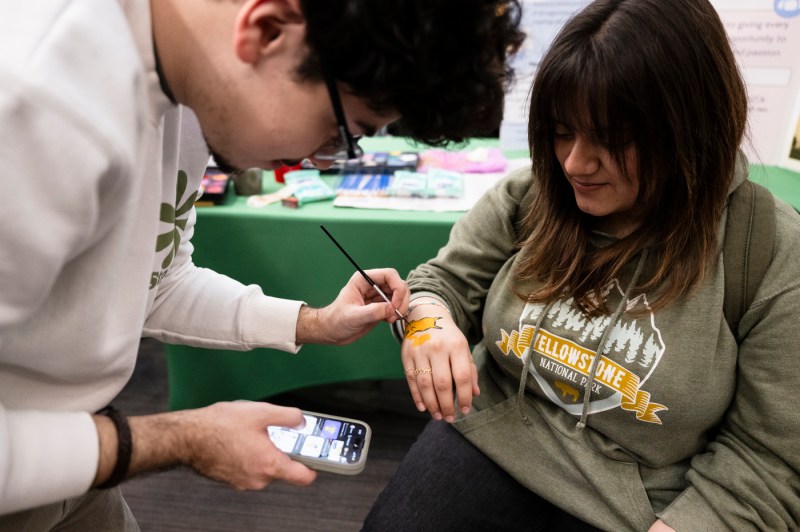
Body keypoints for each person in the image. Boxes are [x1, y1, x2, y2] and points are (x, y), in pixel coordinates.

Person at [0, 0, 525, 528]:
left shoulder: (183, 94)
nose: (325, 161)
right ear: (268, 29)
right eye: (340, 131)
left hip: (77, 460)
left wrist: (312, 322)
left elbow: (158, 280)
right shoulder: (33, 100)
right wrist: (176, 440)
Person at [362, 0, 800, 530]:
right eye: (561, 131)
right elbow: (440, 284)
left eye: (612, 140)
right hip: (494, 438)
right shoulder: (532, 195)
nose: (574, 163)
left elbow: (768, 459)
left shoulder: (768, 249)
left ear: (691, 128)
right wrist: (428, 326)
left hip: (643, 503)